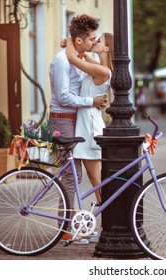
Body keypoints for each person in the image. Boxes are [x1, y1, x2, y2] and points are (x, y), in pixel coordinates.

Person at [48, 14, 107, 245]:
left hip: (75, 119)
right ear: (79, 41)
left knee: (77, 175)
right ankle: (64, 229)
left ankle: (76, 225)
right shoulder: (63, 61)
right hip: (63, 119)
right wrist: (90, 102)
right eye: (91, 38)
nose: (94, 42)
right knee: (71, 176)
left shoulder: (78, 56)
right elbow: (63, 96)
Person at [66, 32, 113, 206]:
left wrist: (71, 39)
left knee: (97, 180)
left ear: (106, 48)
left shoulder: (102, 71)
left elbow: (72, 58)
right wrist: (83, 51)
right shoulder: (101, 67)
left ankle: (108, 223)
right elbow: (84, 58)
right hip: (89, 121)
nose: (94, 42)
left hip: (90, 126)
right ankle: (107, 222)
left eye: (98, 41)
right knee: (97, 179)